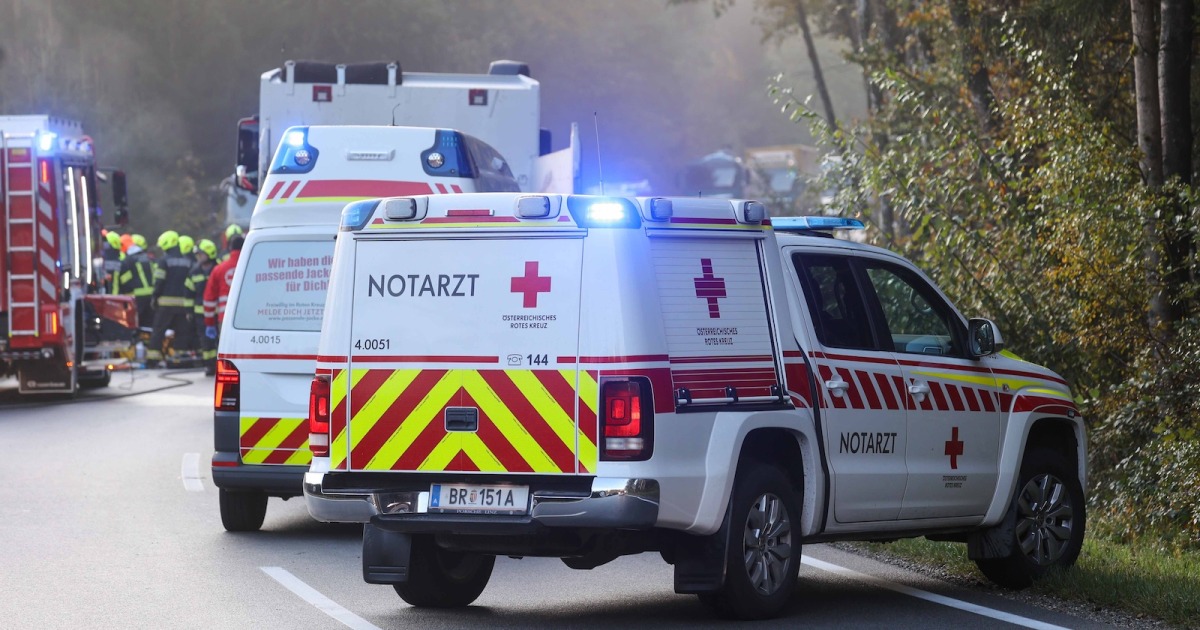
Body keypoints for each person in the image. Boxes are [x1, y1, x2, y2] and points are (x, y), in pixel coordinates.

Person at [146, 230, 193, 367]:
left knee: (158, 331)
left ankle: (153, 359)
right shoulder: (188, 261)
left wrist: (154, 297)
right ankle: (180, 359)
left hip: (165, 304)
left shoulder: (164, 261)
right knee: (182, 332)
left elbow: (159, 281)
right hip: (183, 304)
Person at [187, 239, 220, 375]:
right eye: (198, 255)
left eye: (201, 254)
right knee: (205, 342)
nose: (198, 257)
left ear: (209, 253)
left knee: (220, 341)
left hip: (218, 313)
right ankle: (209, 366)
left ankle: (220, 365)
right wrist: (189, 311)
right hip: (200, 314)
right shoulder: (194, 271)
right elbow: (188, 293)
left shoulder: (218, 269)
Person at [204, 233, 243, 349]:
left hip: (225, 317)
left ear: (230, 248)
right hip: (250, 319)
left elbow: (209, 299)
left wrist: (209, 323)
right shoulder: (254, 266)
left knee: (227, 350)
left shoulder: (219, 269)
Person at [113, 234, 156, 329]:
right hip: (152, 297)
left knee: (136, 325)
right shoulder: (150, 258)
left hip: (136, 298)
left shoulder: (127, 261)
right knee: (150, 325)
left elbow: (124, 281)